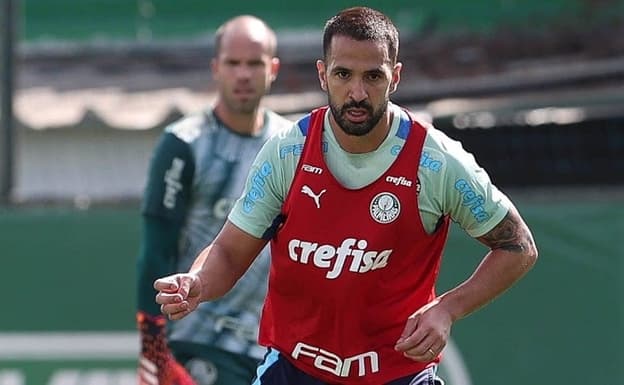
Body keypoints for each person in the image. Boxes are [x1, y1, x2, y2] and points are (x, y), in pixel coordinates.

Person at [154, 6, 538, 385]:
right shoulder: (288, 152)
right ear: (323, 75)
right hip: (294, 371)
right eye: (343, 74)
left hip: (397, 375)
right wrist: (198, 282)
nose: (357, 92)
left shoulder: (436, 162)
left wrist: (448, 309)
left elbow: (518, 247)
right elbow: (228, 252)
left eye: (373, 76)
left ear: (396, 77)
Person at [136, 15, 292, 385]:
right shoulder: (184, 143)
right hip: (197, 341)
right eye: (233, 63)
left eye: (253, 63)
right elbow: (156, 250)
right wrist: (152, 349)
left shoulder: (293, 144)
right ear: (215, 69)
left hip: (271, 347)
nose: (243, 74)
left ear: (272, 69)